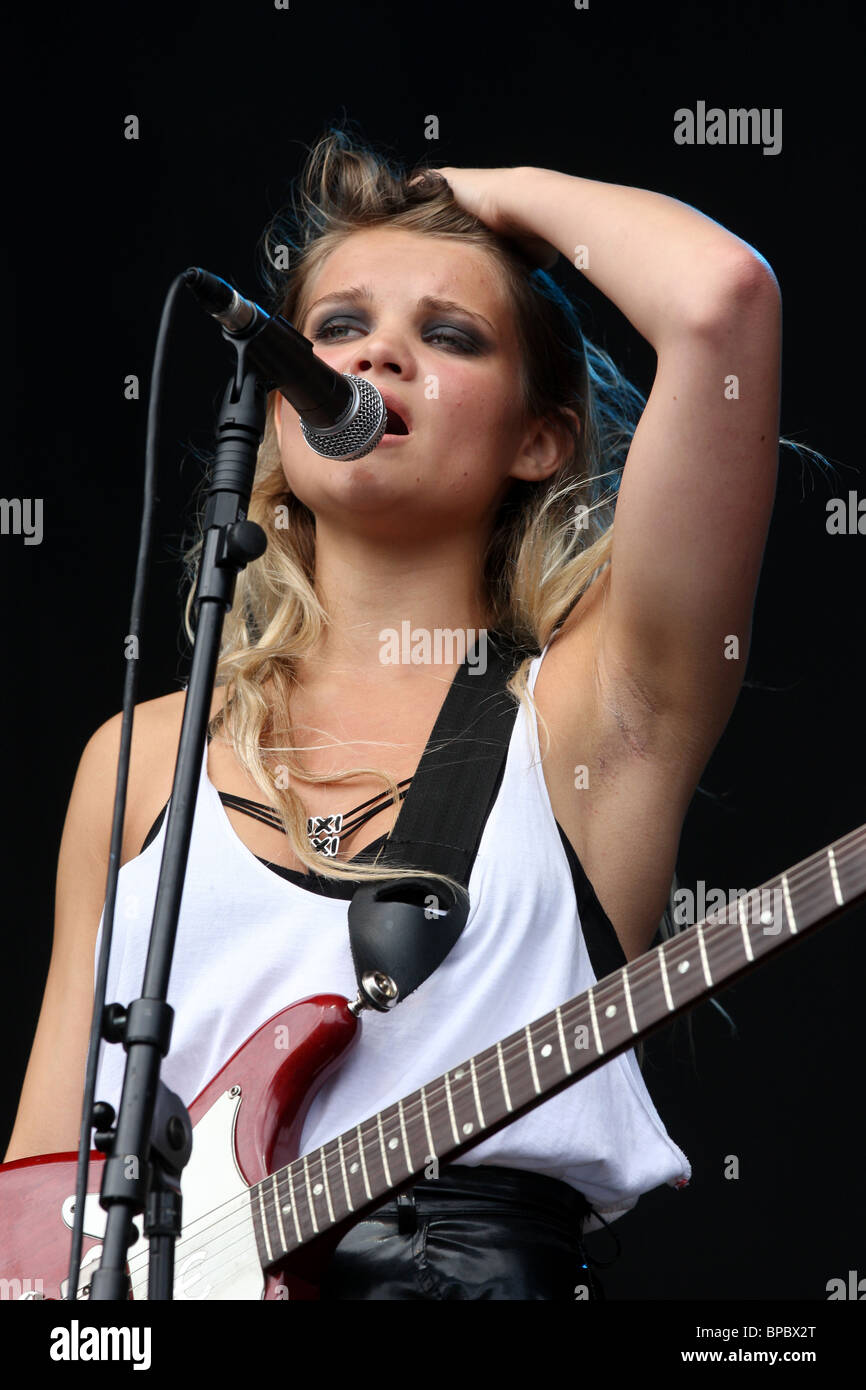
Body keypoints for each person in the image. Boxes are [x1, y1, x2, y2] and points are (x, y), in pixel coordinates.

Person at [3, 126, 789, 1300]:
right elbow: (37, 1193)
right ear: (278, 407)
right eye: (335, 327)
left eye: (448, 334)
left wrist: (485, 196)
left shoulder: (588, 710)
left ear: (539, 439)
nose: (375, 354)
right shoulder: (141, 755)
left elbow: (720, 300)